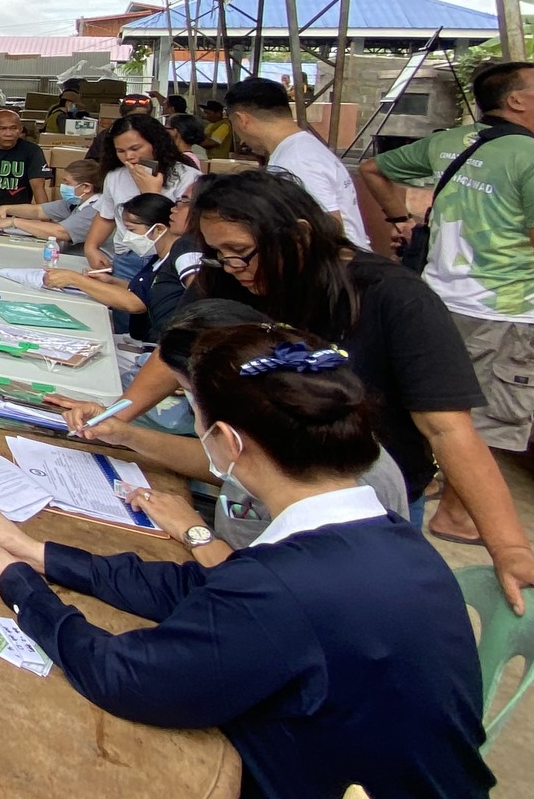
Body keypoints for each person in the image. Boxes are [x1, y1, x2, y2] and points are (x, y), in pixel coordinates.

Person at [0, 325, 503, 799]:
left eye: (196, 418)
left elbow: (122, 675)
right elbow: (204, 587)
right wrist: (38, 553)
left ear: (228, 443)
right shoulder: (386, 540)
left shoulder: (284, 588)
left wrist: (15, 584)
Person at [66, 169, 534, 611]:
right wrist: (117, 417)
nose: (231, 267)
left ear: (300, 236)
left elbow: (449, 431)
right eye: (217, 253)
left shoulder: (393, 298)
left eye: (240, 251)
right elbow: (175, 353)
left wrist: (509, 547)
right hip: (256, 482)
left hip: (360, 506)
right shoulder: (228, 275)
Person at [362, 57, 534, 556]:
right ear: (517, 100)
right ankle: (458, 514)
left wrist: (397, 218)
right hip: (502, 306)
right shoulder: (529, 155)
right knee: (490, 414)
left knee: (436, 399)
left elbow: (374, 168)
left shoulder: (455, 141)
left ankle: (436, 481)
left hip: (439, 293)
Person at [224, 77, 366, 247]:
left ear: (241, 120)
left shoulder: (297, 160)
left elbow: (329, 229)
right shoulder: (300, 148)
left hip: (336, 268)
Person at [43, 192, 185, 341]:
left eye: (132, 230)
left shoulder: (173, 263)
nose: (127, 237)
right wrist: (112, 282)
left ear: (159, 229)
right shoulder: (157, 258)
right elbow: (147, 291)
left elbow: (135, 303)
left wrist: (75, 279)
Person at [82, 113, 199, 274]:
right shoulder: (115, 176)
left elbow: (185, 227)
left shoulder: (188, 177)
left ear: (155, 144)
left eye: (136, 148)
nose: (129, 157)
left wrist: (150, 193)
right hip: (127, 257)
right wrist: (91, 247)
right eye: (121, 151)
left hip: (166, 259)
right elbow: (106, 215)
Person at [0, 158, 105, 247]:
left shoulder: (96, 208)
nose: (63, 187)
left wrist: (13, 221)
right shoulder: (74, 203)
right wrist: (5, 209)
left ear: (86, 187)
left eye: (67, 183)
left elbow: (60, 232)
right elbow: (38, 211)